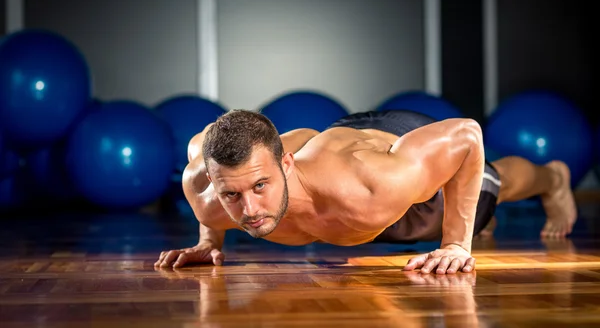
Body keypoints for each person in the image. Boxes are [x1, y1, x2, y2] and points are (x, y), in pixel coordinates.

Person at [155, 109, 577, 274]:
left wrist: (455, 244)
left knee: (489, 186)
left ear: (285, 164)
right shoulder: (209, 190)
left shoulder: (372, 184)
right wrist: (208, 240)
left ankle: (552, 179)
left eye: (260, 185)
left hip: (385, 148)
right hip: (340, 144)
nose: (248, 210)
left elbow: (466, 134)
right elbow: (204, 140)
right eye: (232, 194)